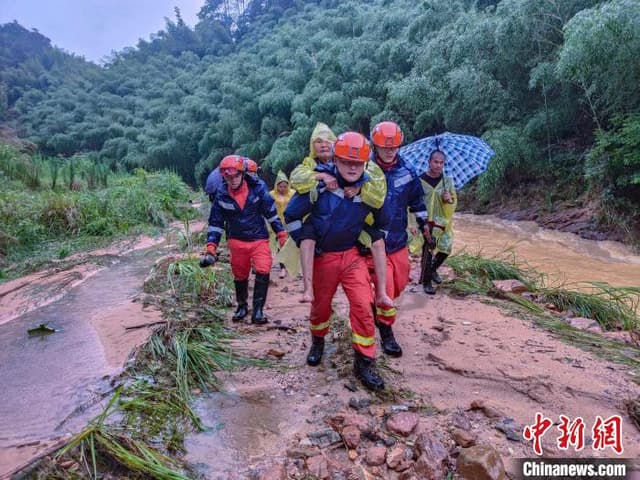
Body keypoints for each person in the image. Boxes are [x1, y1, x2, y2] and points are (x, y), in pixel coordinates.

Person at [284, 132, 392, 391]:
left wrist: (365, 241)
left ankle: (364, 362)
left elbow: (383, 225)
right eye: (346, 162)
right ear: (336, 160)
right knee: (320, 307)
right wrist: (305, 239)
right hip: (324, 258)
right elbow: (291, 216)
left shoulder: (370, 189)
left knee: (364, 308)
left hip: (352, 257)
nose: (352, 168)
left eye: (357, 163)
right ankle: (318, 342)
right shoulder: (319, 184)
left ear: (366, 163)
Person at [289, 122, 387, 303]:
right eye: (318, 141)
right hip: (321, 225)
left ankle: (381, 293)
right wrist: (320, 177)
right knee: (308, 238)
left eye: (328, 141)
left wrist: (359, 187)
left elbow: (378, 191)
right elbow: (294, 184)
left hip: (350, 227)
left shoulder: (364, 165)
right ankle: (307, 288)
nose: (324, 144)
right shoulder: (310, 165)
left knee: (377, 240)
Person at [365, 121, 428, 357]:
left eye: (394, 147)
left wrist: (426, 226)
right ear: (375, 146)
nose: (390, 151)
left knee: (400, 282)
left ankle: (376, 305)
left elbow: (417, 202)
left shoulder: (408, 171)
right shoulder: (364, 169)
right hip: (374, 241)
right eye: (384, 147)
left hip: (399, 240)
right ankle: (387, 333)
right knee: (387, 288)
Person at [204, 155, 287, 323]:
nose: (233, 180)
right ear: (224, 177)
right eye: (228, 177)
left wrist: (281, 234)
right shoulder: (221, 194)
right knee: (240, 275)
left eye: (236, 176)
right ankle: (242, 306)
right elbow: (216, 223)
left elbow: (270, 213)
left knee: (263, 269)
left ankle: (258, 311)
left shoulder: (258, 188)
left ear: (243, 174)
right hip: (236, 241)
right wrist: (211, 246)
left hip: (258, 238)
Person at [420, 150, 457, 295]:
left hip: (442, 220)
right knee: (429, 248)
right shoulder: (420, 181)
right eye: (435, 162)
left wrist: (449, 199)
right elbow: (414, 201)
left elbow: (453, 201)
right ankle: (426, 281)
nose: (438, 165)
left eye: (442, 162)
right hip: (425, 220)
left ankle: (433, 269)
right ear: (429, 162)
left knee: (446, 247)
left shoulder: (447, 181)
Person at [269, 171, 294, 279]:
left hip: (291, 223)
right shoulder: (271, 195)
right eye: (280, 186)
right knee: (281, 245)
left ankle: (290, 265)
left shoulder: (293, 194)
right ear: (276, 186)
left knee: (291, 245)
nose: (282, 188)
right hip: (277, 224)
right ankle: (282, 268)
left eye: (285, 186)